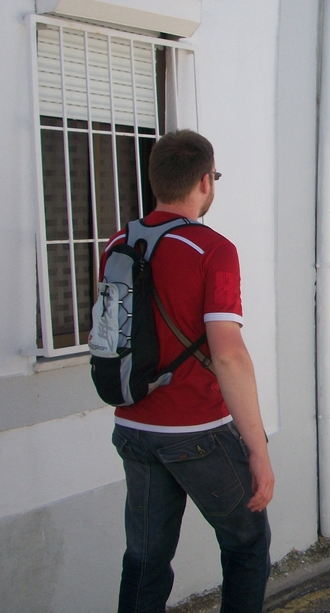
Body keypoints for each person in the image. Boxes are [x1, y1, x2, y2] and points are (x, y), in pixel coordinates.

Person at [105, 130, 274, 613]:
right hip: (197, 432)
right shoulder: (212, 248)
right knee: (246, 545)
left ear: (155, 180)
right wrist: (258, 450)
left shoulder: (118, 243)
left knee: (145, 560)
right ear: (205, 181)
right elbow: (228, 355)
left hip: (134, 427)